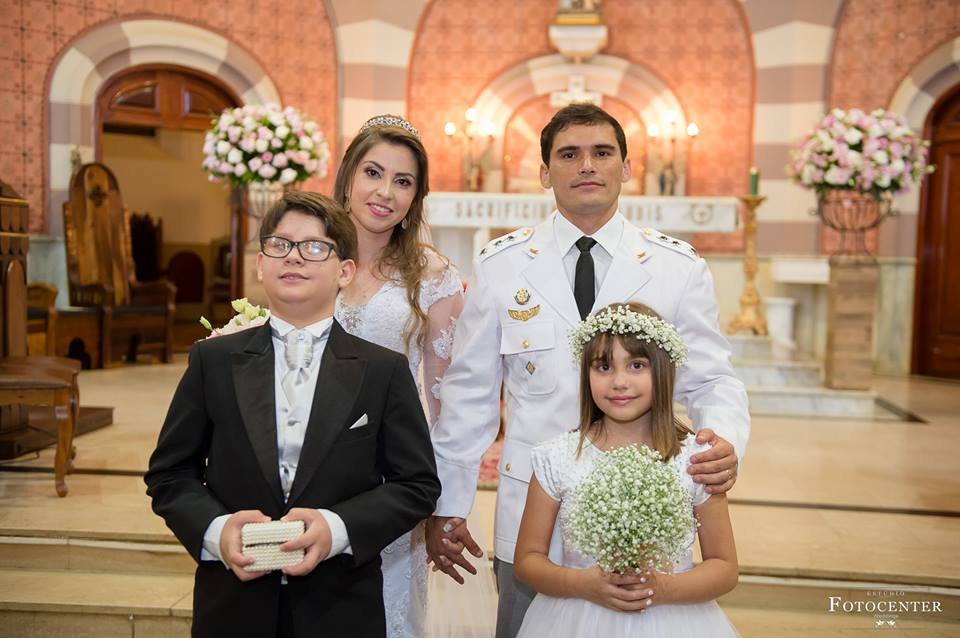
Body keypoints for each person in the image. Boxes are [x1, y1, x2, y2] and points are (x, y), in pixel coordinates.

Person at [426, 103, 750, 638]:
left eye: (602, 152)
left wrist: (722, 442)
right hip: (531, 522)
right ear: (544, 171)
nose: (586, 165)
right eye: (569, 154)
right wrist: (450, 502)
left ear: (627, 167)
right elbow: (469, 396)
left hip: (644, 516)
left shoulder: (676, 267)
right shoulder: (501, 265)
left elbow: (713, 380)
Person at [144, 192, 441, 637]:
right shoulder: (214, 361)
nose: (294, 257)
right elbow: (169, 474)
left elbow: (417, 484)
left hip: (339, 607)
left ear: (345, 271)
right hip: (234, 606)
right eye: (280, 244)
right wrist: (217, 531)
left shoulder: (382, 371)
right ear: (260, 265)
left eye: (315, 247)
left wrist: (337, 528)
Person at [513, 302, 739, 637]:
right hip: (576, 619)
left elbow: (725, 568)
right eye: (603, 367)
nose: (619, 382)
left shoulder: (696, 460)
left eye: (636, 365)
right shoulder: (557, 458)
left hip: (673, 620)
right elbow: (527, 560)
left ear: (663, 370)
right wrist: (582, 584)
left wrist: (660, 588)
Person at [333, 114, 464, 638]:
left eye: (403, 181)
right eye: (373, 172)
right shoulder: (310, 255)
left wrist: (439, 502)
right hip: (307, 467)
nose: (385, 192)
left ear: (416, 197)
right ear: (348, 176)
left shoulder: (434, 276)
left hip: (390, 475)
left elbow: (445, 400)